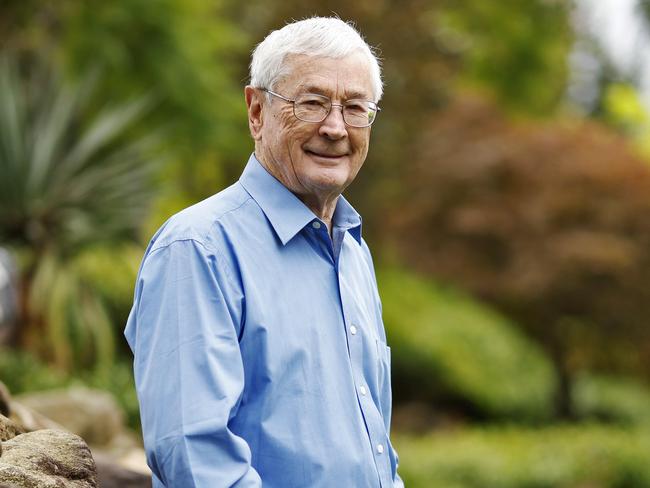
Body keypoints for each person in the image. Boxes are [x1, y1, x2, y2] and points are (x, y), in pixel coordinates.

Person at [125, 16, 403, 487]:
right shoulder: (198, 249)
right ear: (256, 111)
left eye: (355, 107)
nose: (336, 128)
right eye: (312, 103)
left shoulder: (354, 253)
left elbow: (378, 454)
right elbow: (196, 457)